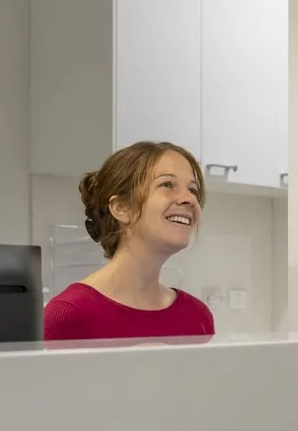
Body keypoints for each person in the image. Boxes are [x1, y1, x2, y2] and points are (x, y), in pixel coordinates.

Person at [45, 141, 216, 342]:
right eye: (167, 184)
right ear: (121, 208)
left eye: (193, 190)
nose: (189, 199)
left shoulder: (197, 318)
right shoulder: (68, 315)